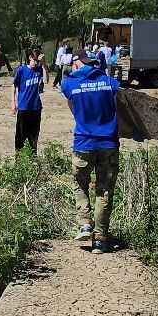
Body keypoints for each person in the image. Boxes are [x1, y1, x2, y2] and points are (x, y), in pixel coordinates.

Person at [60, 50, 120, 253]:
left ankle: (85, 222)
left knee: (79, 182)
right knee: (104, 191)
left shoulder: (69, 83)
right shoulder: (108, 82)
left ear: (75, 63)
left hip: (83, 142)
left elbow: (73, 108)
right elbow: (119, 104)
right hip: (109, 143)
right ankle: (100, 241)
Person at [12, 48, 44, 155]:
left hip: (36, 107)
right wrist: (13, 102)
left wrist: (43, 64)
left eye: (38, 61)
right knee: (21, 135)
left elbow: (47, 80)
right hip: (23, 107)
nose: (37, 62)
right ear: (30, 58)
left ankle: (33, 157)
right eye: (35, 60)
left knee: (34, 135)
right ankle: (19, 158)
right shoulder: (21, 70)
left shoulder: (39, 69)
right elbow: (14, 85)